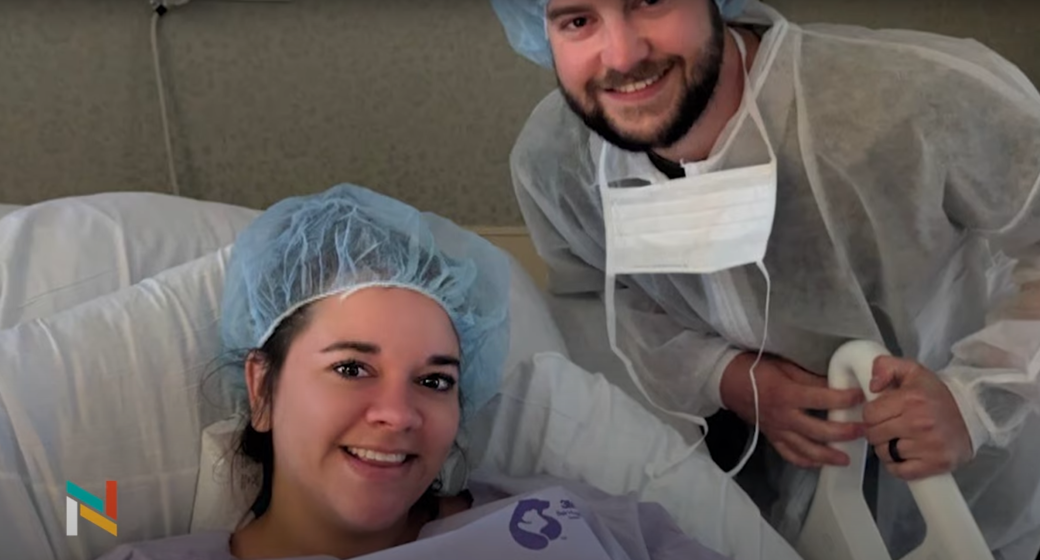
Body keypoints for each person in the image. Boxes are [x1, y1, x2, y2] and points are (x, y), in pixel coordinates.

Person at [489, 0, 1040, 558]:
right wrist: (726, 376)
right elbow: (598, 301)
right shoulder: (558, 165)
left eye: (650, 1)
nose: (623, 55)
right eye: (578, 20)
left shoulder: (912, 99)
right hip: (778, 487)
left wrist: (977, 403)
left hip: (992, 478)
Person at [92, 184, 733, 560]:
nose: (399, 414)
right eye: (351, 367)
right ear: (262, 387)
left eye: (434, 381)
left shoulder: (575, 520)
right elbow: (73, 508)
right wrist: (88, 510)